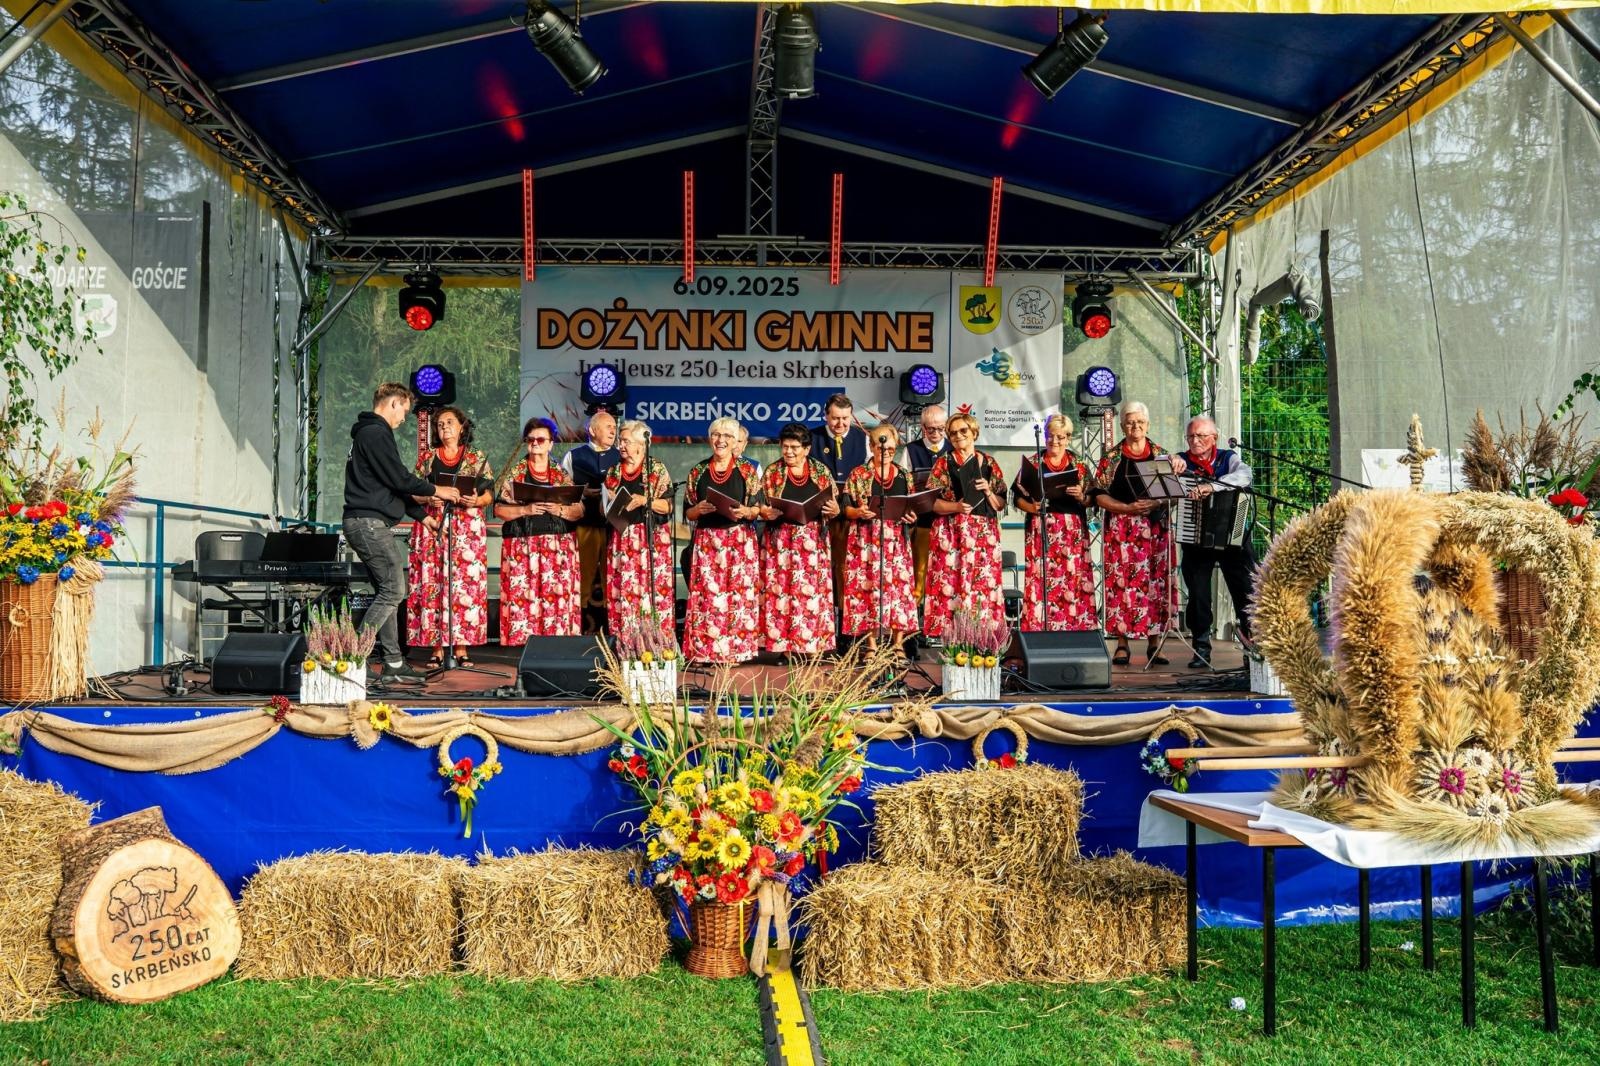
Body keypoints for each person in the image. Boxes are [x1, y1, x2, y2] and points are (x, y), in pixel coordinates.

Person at [341, 383, 461, 678]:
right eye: (404, 411)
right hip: (368, 523)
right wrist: (438, 490)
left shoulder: (369, 434)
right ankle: (353, 659)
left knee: (388, 592)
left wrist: (425, 518)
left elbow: (390, 485)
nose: (404, 418)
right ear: (393, 403)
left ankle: (394, 662)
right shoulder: (376, 433)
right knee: (395, 590)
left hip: (367, 522)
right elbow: (400, 479)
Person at [1092, 401, 1180, 666]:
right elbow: (1097, 494)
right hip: (1121, 531)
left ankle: (1156, 644)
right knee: (1122, 585)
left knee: (1156, 584)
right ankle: (1122, 644)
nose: (1135, 427)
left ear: (1148, 425)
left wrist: (1154, 503)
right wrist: (1126, 508)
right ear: (1122, 426)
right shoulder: (1112, 457)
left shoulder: (1161, 455)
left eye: (1140, 422)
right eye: (1130, 422)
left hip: (1155, 531)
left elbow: (1173, 494)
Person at [405, 406, 494, 668]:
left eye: (450, 422)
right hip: (435, 524)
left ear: (462, 427)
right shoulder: (427, 458)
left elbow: (491, 494)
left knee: (464, 586)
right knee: (434, 583)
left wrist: (477, 499)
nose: (444, 427)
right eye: (440, 424)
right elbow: (411, 492)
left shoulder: (476, 457)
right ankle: (436, 648)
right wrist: (427, 496)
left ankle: (463, 648)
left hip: (467, 527)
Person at [495, 417, 584, 643]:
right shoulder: (516, 472)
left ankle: (555, 645)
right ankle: (527, 647)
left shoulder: (561, 474)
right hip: (523, 545)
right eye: (530, 439)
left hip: (558, 546)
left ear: (551, 444)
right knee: (524, 598)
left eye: (541, 439)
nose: (535, 443)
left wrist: (559, 510)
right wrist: (526, 509)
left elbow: (579, 511)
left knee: (556, 597)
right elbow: (498, 509)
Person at [1177, 416, 1257, 669]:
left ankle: (1252, 649)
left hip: (1232, 535)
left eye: (1201, 436)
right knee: (1199, 595)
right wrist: (1171, 462)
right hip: (1196, 536)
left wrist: (1212, 487)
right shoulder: (1181, 460)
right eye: (1191, 436)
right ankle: (1201, 648)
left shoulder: (1228, 458)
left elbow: (1245, 476)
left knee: (1245, 592)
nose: (1195, 441)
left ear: (1214, 438)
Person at [682, 417, 764, 663]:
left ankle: (737, 650)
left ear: (735, 441)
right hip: (707, 541)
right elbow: (688, 512)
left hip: (739, 540)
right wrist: (699, 509)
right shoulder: (698, 471)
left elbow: (759, 508)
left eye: (727, 436)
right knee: (708, 596)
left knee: (737, 596)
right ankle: (705, 649)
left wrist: (747, 512)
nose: (721, 440)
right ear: (710, 439)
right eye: (716, 435)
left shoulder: (747, 471)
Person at [922, 412, 1006, 639]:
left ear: (974, 433)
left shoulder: (989, 462)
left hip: (983, 535)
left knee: (983, 585)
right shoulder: (943, 462)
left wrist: (988, 491)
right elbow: (932, 502)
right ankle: (953, 641)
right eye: (953, 433)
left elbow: (1000, 504)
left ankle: (983, 638)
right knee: (950, 585)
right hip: (951, 531)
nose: (958, 436)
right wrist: (956, 507)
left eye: (963, 431)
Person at [760, 422, 841, 656]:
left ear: (806, 449)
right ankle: (785, 647)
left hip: (812, 541)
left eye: (795, 447)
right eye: (785, 447)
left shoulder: (820, 472)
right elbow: (760, 506)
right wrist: (765, 512)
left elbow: (834, 507)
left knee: (811, 593)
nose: (789, 452)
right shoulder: (772, 472)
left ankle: (812, 644)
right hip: (781, 540)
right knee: (783, 593)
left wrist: (834, 509)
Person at [1012, 414, 1097, 632]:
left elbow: (1091, 500)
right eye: (1050, 436)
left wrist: (1081, 496)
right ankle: (1038, 629)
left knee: (1072, 578)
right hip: (1042, 527)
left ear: (1068, 438)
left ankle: (1074, 629)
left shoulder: (1078, 465)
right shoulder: (1033, 463)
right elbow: (1017, 497)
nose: (1054, 441)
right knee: (1041, 579)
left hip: (1072, 531)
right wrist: (1031, 508)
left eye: (1060, 437)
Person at [839, 424, 918, 656]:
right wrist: (858, 512)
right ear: (872, 447)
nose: (886, 453)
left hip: (896, 541)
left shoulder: (904, 475)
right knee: (868, 590)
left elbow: (912, 508)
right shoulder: (859, 474)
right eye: (881, 448)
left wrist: (912, 517)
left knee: (899, 590)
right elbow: (845, 509)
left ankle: (897, 644)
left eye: (891, 450)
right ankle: (871, 644)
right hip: (866, 539)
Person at [602, 420, 675, 645]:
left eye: (625, 441)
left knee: (652, 590)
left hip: (649, 536)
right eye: (619, 441)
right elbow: (604, 507)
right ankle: (625, 643)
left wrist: (646, 500)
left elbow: (669, 506)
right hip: (622, 537)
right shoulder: (614, 471)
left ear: (641, 445)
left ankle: (655, 643)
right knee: (623, 590)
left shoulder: (656, 468)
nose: (620, 445)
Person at [560, 409, 620, 633]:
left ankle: (611, 629)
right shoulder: (574, 456)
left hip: (614, 527)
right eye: (608, 426)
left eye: (614, 427)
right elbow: (564, 491)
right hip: (584, 525)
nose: (613, 431)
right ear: (592, 430)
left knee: (613, 577)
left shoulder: (620, 456)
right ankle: (580, 628)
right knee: (582, 577)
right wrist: (582, 493)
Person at [811, 393, 867, 606]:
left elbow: (867, 475)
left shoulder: (862, 438)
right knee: (821, 565)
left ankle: (845, 622)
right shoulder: (811, 437)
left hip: (850, 509)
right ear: (826, 416)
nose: (840, 423)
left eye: (845, 418)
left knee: (846, 567)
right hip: (819, 509)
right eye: (835, 418)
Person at [904, 404, 950, 604]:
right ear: (922, 427)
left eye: (940, 428)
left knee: (946, 571)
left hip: (948, 521)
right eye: (931, 428)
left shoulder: (953, 448)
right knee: (919, 570)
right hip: (922, 521)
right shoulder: (911, 450)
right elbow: (905, 484)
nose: (936, 433)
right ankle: (917, 622)